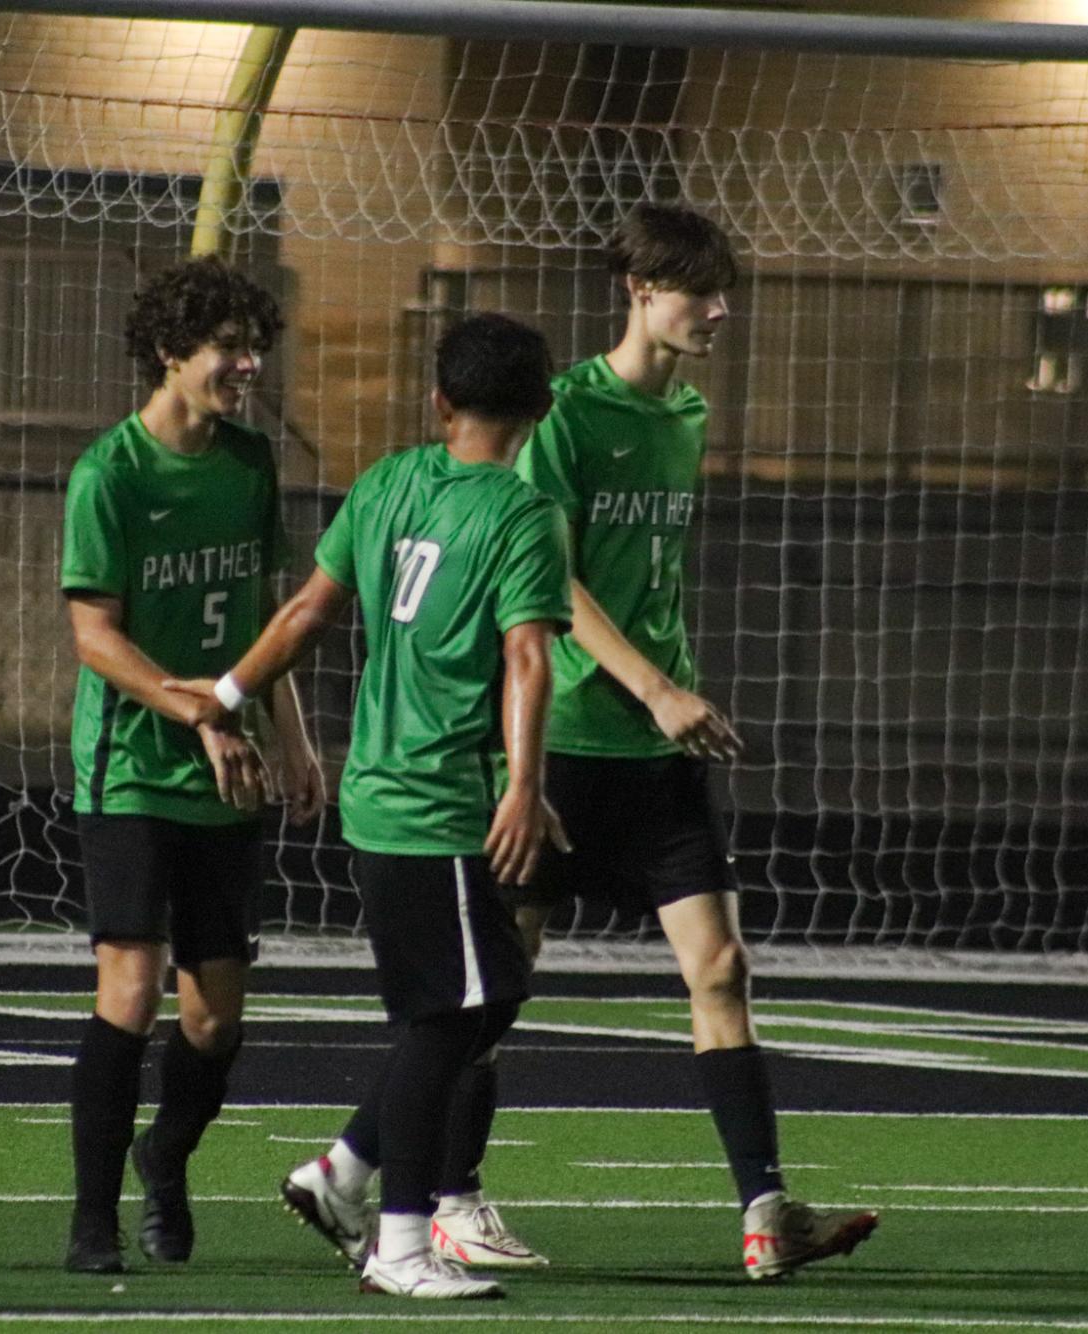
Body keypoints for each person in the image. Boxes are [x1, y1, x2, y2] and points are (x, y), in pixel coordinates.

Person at [427, 204, 880, 1281]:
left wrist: (671, 698)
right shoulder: (567, 417)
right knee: (497, 985)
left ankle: (767, 1209)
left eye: (722, 291)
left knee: (720, 966)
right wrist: (656, 685)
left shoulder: (685, 413)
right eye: (698, 291)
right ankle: (445, 1197)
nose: (719, 310)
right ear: (638, 288)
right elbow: (551, 582)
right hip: (571, 740)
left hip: (658, 755)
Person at [170, 312, 572, 1300]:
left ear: (439, 402)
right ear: (542, 408)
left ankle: (344, 1169)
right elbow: (527, 656)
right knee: (455, 1013)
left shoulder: (390, 481)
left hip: (380, 797)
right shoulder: (524, 515)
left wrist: (225, 692)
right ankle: (397, 1237)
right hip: (436, 805)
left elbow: (307, 609)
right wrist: (523, 782)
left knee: (486, 996)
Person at [59, 256, 324, 1275]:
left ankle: (163, 1157)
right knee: (128, 987)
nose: (246, 365)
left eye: (254, 347)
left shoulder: (251, 463)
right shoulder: (110, 475)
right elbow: (97, 638)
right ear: (171, 352)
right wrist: (197, 711)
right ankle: (92, 1222)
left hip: (232, 770)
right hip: (131, 766)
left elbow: (269, 622)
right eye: (227, 347)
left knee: (214, 1017)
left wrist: (293, 738)